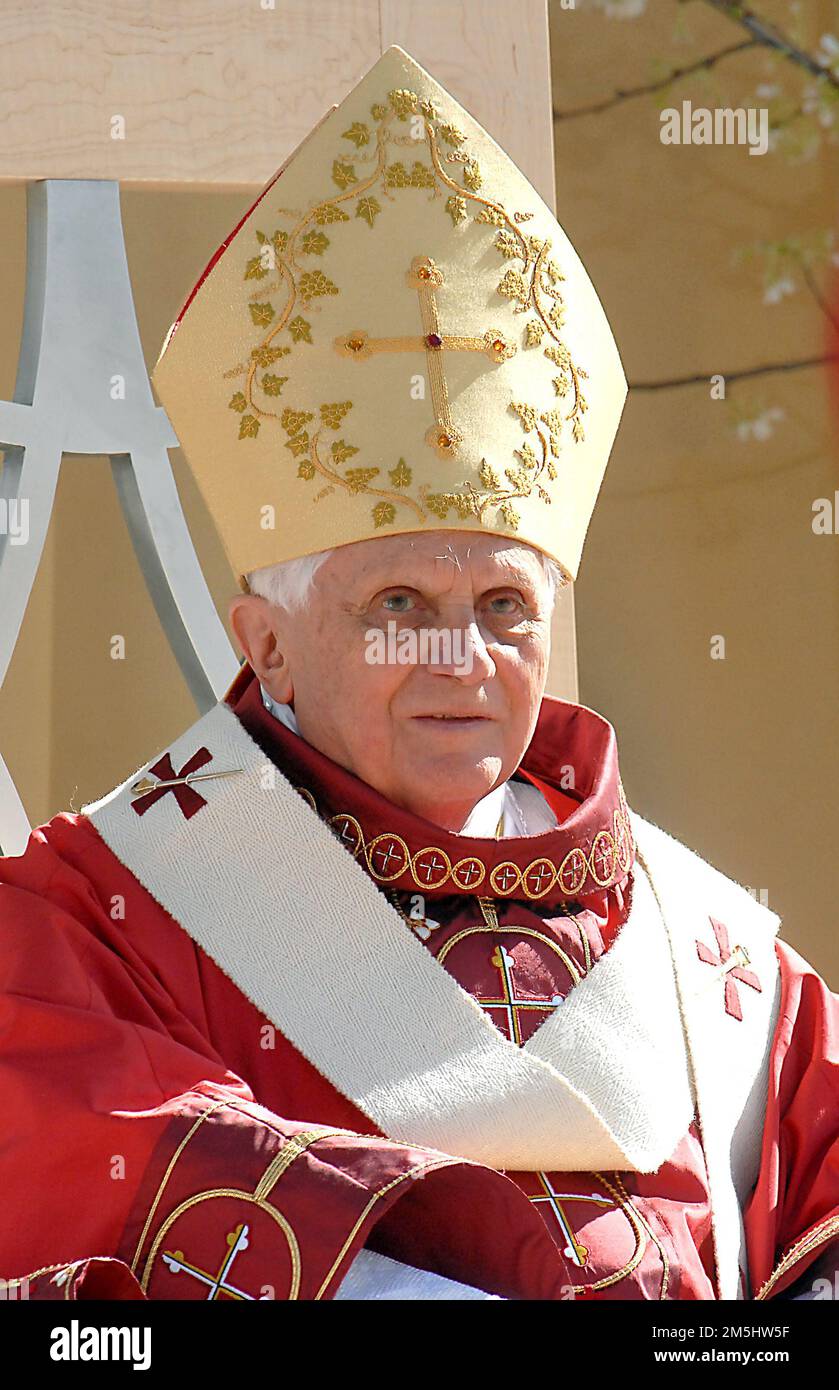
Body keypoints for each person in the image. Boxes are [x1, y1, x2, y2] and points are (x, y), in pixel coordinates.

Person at [0, 45, 835, 1303]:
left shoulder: (716, 964)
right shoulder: (96, 924)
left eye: (503, 605)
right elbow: (77, 1161)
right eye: (399, 603)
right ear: (264, 639)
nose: (462, 658)